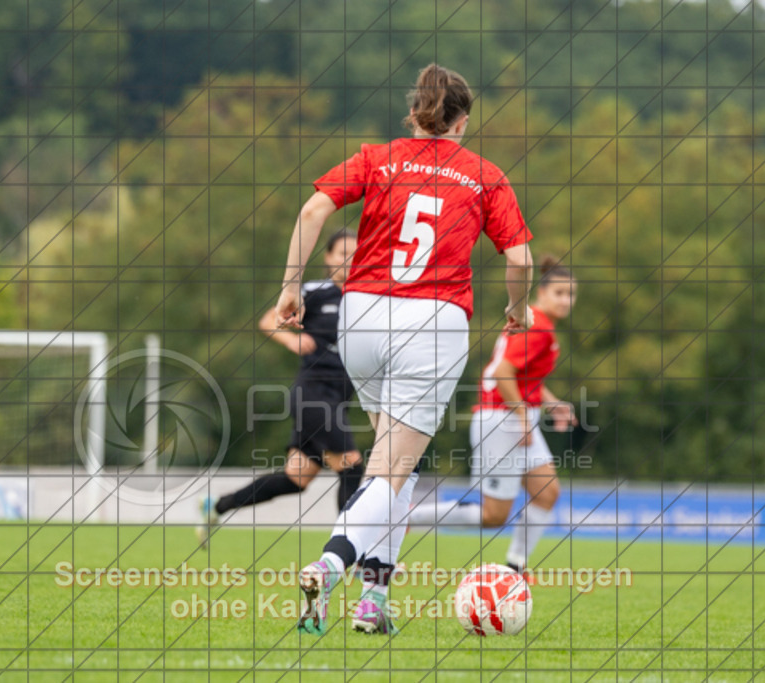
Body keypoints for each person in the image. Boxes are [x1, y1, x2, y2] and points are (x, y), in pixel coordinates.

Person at [275, 64, 535, 636]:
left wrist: (291, 285)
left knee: (396, 467)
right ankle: (331, 563)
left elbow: (314, 208)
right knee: (392, 470)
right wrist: (516, 309)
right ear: (462, 121)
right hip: (432, 321)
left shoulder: (377, 157)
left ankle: (374, 602)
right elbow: (518, 261)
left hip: (361, 316)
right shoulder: (483, 176)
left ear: (416, 112)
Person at [408, 256, 578, 576]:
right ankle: (408, 518)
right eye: (559, 293)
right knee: (493, 516)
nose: (566, 301)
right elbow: (503, 373)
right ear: (541, 293)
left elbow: (525, 380)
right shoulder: (538, 326)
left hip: (511, 416)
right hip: (500, 420)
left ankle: (515, 567)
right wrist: (523, 418)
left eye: (571, 294)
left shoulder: (537, 322)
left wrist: (552, 403)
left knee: (547, 493)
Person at [197, 229, 365, 546]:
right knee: (351, 465)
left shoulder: (368, 299)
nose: (350, 259)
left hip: (338, 399)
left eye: (356, 253)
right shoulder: (315, 292)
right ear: (328, 258)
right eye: (343, 253)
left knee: (296, 478)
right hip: (313, 394)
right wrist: (292, 338)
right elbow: (268, 320)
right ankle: (350, 547)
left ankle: (218, 505)